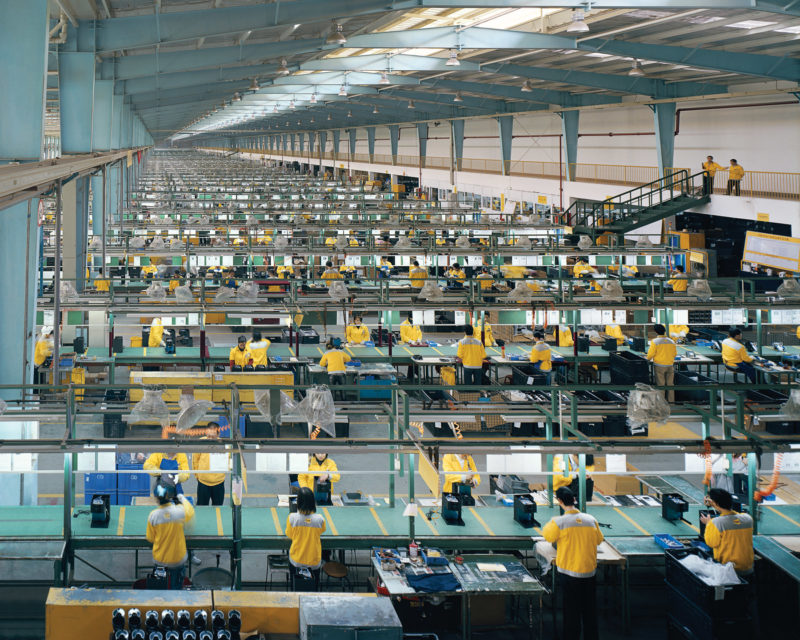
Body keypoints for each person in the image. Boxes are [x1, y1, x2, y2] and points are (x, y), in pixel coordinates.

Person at [542, 487, 604, 640]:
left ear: (560, 501)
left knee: (571, 613)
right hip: (589, 573)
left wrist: (553, 521)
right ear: (574, 500)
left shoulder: (559, 522)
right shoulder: (591, 520)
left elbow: (548, 536)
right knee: (589, 612)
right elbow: (599, 540)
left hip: (569, 575)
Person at [146, 480, 195, 590]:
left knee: (160, 589)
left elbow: (150, 538)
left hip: (160, 559)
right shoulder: (180, 512)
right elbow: (190, 511)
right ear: (169, 496)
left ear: (157, 498)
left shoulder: (153, 516)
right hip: (177, 559)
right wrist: (182, 498)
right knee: (176, 589)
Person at [701, 488, 754, 575]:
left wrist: (708, 524)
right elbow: (733, 518)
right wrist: (715, 504)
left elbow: (711, 543)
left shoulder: (716, 523)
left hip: (728, 571)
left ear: (714, 503)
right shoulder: (747, 519)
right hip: (748, 568)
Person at [285, 487, 326, 590]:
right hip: (314, 562)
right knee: (314, 587)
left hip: (296, 560)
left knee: (295, 586)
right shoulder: (320, 519)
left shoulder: (292, 518)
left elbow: (290, 535)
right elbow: (322, 530)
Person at [192, 433, 228, 506]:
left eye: (213, 436)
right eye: (209, 436)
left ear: (218, 434)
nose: (211, 439)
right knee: (202, 507)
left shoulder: (223, 444)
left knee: (218, 507)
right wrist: (197, 475)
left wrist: (221, 476)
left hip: (218, 483)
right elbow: (195, 460)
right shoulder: (200, 443)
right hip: (203, 482)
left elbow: (227, 461)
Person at [646, 324, 677, 402]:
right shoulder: (671, 341)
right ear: (664, 331)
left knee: (661, 385)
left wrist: (647, 359)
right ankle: (671, 402)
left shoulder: (655, 341)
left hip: (659, 366)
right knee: (670, 385)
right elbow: (674, 354)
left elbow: (650, 354)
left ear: (656, 332)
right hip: (670, 365)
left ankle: (662, 403)